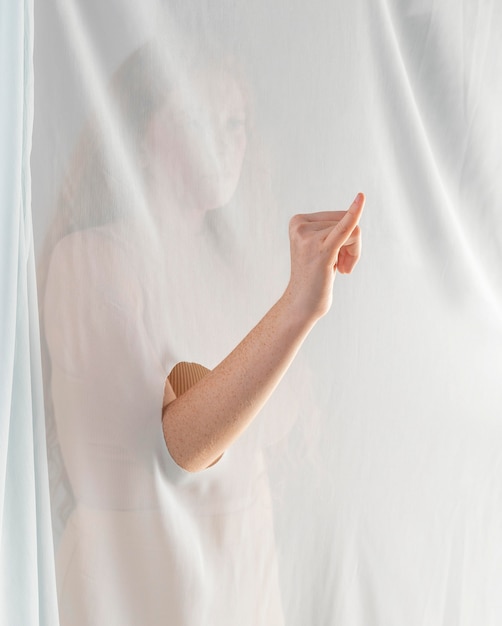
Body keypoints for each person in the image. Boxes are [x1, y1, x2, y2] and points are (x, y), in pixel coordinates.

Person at [41, 41, 364, 625]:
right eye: (193, 118)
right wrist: (297, 307)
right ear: (140, 134)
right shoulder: (92, 261)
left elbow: (278, 421)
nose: (223, 141)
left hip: (239, 578)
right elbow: (177, 453)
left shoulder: (235, 271)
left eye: (233, 121)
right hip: (138, 585)